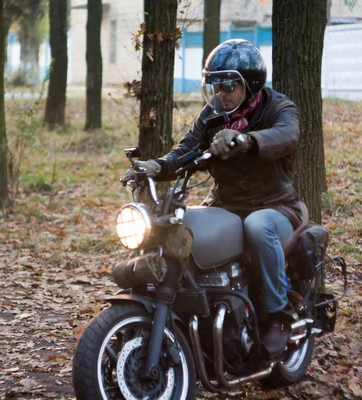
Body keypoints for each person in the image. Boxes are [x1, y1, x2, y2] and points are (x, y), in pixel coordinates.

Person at [122, 39, 302, 357]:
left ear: (250, 83)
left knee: (259, 227)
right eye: (217, 84)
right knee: (177, 225)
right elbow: (187, 148)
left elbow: (286, 136)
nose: (222, 92)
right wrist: (156, 166)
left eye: (229, 84)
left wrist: (246, 140)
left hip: (275, 206)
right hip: (226, 205)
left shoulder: (278, 107)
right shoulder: (215, 113)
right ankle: (180, 311)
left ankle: (278, 315)